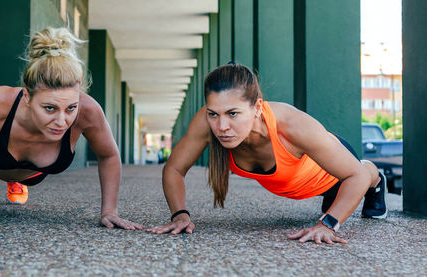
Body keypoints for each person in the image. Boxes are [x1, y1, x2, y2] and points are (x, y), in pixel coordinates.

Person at [0, 27, 145, 232]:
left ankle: (15, 180)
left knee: (27, 169)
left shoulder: (87, 111)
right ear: (26, 96)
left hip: (30, 174)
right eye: (50, 108)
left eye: (70, 108)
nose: (62, 121)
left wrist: (109, 211)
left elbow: (109, 155)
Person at [146, 63, 387, 244]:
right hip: (302, 186)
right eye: (213, 114)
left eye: (233, 113)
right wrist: (180, 215)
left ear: (258, 107)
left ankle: (377, 176)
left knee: (362, 172)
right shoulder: (206, 122)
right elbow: (174, 169)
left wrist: (328, 225)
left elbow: (354, 175)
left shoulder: (292, 125)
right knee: (334, 199)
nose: (221, 127)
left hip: (333, 173)